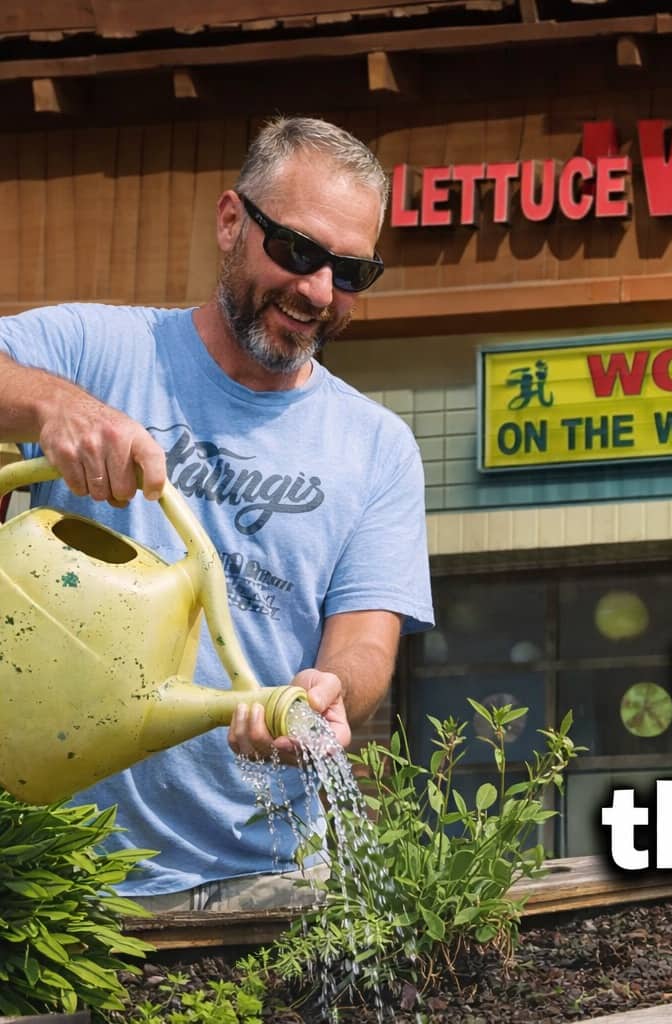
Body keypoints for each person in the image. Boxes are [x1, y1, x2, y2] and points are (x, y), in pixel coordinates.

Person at [0, 116, 434, 911]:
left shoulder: (379, 446)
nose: (318, 292)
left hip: (272, 875)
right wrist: (50, 404)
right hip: (58, 877)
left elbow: (367, 640)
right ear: (232, 221)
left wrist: (327, 693)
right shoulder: (99, 351)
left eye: (350, 272)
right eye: (300, 253)